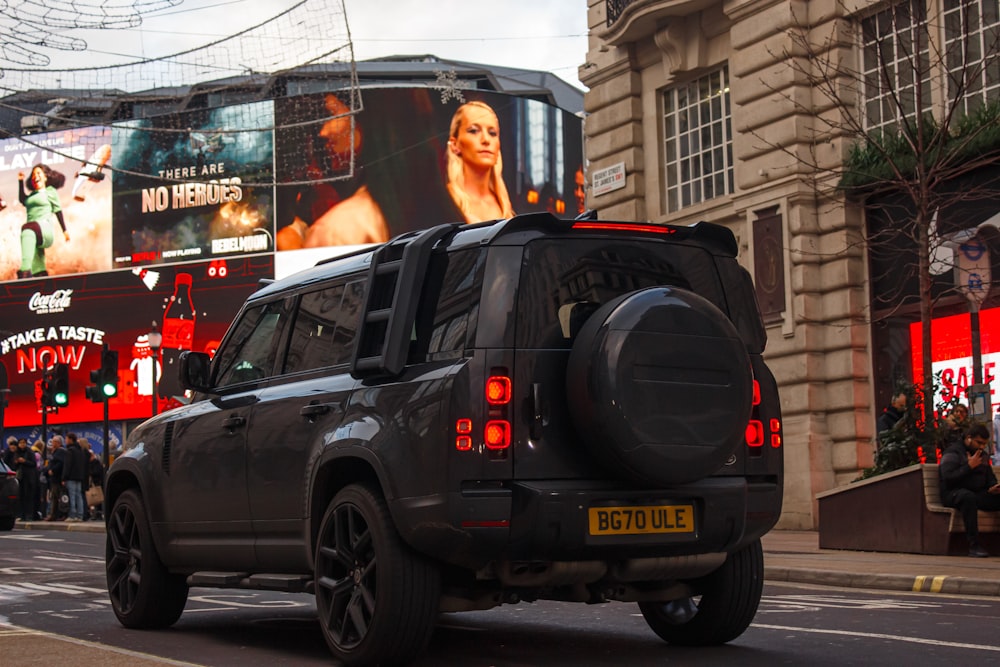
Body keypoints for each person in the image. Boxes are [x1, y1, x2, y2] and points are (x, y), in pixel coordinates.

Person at [445, 100, 514, 224]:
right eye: (473, 131)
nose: (486, 140)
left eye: (492, 133)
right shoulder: (446, 198)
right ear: (454, 144)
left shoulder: (504, 204)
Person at [939, 423, 1000, 557]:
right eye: (979, 442)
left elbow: (989, 477)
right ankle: (974, 545)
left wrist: (993, 487)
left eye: (984, 444)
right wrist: (968, 467)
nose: (982, 447)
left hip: (976, 493)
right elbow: (948, 477)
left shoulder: (982, 455)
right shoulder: (953, 452)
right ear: (968, 438)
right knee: (968, 497)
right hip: (953, 493)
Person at [17, 163, 70, 279]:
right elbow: (22, 199)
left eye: (38, 173)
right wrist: (20, 181)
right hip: (32, 232)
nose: (35, 176)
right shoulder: (32, 195)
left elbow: (58, 211)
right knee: (38, 266)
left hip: (45, 230)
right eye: (33, 175)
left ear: (45, 177)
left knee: (27, 228)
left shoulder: (50, 192)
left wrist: (65, 231)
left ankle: (24, 271)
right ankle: (41, 277)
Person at [62, 432, 87, 522]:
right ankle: (80, 515)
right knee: (79, 496)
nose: (65, 441)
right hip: (79, 476)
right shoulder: (80, 450)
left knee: (72, 496)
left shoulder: (70, 451)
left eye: (66, 439)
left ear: (70, 439)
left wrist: (64, 477)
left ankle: (72, 515)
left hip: (71, 476)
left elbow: (67, 465)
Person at [42, 434, 66, 521]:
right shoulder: (55, 452)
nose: (53, 443)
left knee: (57, 497)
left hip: (57, 477)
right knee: (54, 497)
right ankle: (54, 514)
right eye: (52, 441)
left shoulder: (60, 451)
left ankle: (56, 514)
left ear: (59, 443)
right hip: (53, 478)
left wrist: (52, 470)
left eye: (55, 442)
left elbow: (60, 463)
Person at [13, 438, 38, 522]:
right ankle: (22, 515)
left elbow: (33, 464)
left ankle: (29, 515)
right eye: (20, 443)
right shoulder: (17, 453)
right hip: (21, 477)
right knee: (21, 496)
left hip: (29, 477)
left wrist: (24, 461)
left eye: (24, 443)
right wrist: (16, 462)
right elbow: (14, 466)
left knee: (29, 496)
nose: (22, 444)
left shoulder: (30, 452)